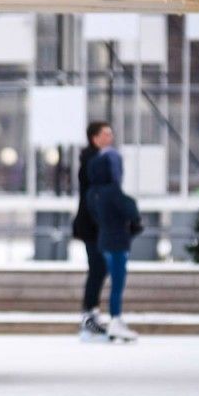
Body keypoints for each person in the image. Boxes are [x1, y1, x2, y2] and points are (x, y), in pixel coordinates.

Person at [86, 139, 141, 343]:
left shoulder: (93, 193)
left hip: (103, 240)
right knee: (118, 283)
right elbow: (131, 210)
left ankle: (112, 319)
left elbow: (95, 216)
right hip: (118, 241)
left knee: (111, 281)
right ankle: (116, 320)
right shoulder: (113, 192)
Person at [73, 121, 112, 340]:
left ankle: (91, 313)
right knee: (98, 267)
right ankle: (89, 316)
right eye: (106, 134)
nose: (110, 138)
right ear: (94, 138)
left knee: (99, 267)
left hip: (94, 222)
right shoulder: (93, 161)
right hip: (92, 223)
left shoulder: (96, 159)